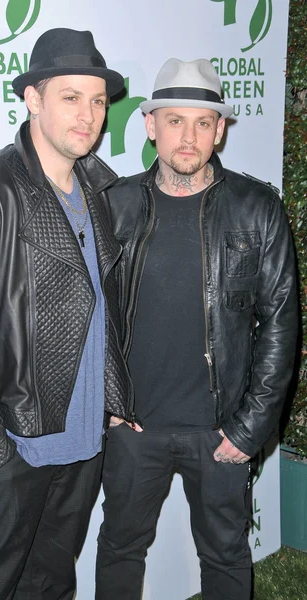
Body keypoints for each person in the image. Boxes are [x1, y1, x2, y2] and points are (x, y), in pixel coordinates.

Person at [0, 27, 134, 600]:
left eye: (97, 100)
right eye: (71, 97)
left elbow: (100, 305)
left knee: (50, 586)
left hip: (80, 443)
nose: (88, 114)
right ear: (33, 99)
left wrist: (111, 399)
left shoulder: (98, 191)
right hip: (13, 445)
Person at [95, 58, 298, 599]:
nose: (188, 136)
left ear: (220, 130)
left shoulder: (257, 208)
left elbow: (281, 324)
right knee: (119, 549)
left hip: (221, 431)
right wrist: (108, 402)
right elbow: (93, 315)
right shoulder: (114, 206)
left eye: (203, 122)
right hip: (134, 428)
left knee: (227, 558)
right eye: (175, 120)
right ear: (150, 125)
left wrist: (250, 427)